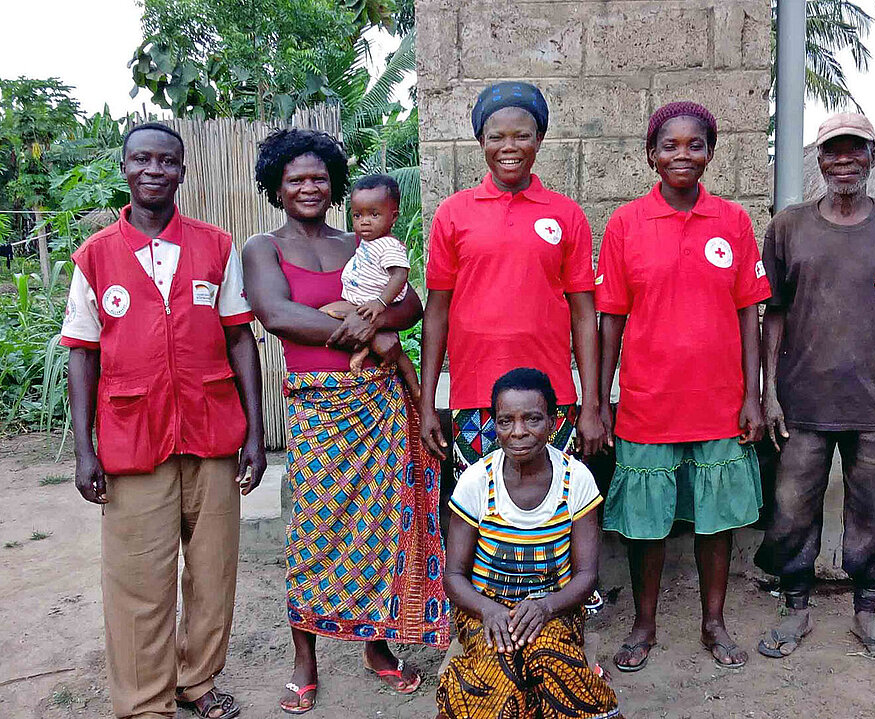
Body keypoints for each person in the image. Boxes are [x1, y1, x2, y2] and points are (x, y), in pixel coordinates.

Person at [61, 122, 266, 719]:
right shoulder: (95, 257)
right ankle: (145, 701)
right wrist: (85, 450)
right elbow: (83, 353)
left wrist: (254, 432)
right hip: (132, 438)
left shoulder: (215, 247)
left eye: (167, 161)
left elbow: (239, 339)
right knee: (137, 581)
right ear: (125, 167)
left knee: (212, 573)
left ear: (183, 171)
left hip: (210, 432)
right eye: (142, 159)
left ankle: (196, 681)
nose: (154, 170)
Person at [241, 128, 448, 715]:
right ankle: (304, 658)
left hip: (378, 403)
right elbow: (276, 314)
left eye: (319, 177)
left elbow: (409, 300)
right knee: (312, 532)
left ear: (334, 183)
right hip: (317, 408)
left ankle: (377, 646)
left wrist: (379, 316)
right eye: (296, 179)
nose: (309, 187)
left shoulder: (359, 239)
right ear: (276, 187)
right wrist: (362, 328)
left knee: (378, 529)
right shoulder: (262, 247)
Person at [754, 112, 875, 661]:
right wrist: (769, 395)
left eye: (855, 150)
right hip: (803, 404)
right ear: (819, 160)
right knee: (790, 510)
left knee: (873, 511)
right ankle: (796, 610)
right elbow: (775, 315)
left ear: (872, 156)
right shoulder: (788, 227)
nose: (845, 160)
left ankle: (867, 614)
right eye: (834, 151)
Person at [596, 102, 771, 673]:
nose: (682, 155)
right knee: (647, 524)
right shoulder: (625, 225)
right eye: (669, 145)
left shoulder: (734, 223)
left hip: (720, 403)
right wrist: (599, 402)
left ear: (710, 153)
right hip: (649, 403)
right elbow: (611, 320)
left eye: (694, 145)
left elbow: (750, 312)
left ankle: (713, 623)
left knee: (715, 521)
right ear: (651, 154)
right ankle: (643, 626)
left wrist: (753, 396)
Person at [420, 81, 604, 480]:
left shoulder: (566, 215)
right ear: (480, 141)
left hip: (552, 397)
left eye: (522, 135)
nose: (509, 146)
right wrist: (427, 403)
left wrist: (590, 405)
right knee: (482, 513)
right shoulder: (453, 214)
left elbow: (585, 316)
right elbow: (436, 314)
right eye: (496, 137)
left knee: (553, 511)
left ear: (539, 139)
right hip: (474, 396)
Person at [437, 368, 620, 719]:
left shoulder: (575, 479)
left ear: (552, 422)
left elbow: (585, 576)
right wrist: (489, 610)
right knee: (497, 680)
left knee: (550, 658)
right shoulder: (477, 480)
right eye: (506, 421)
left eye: (533, 419)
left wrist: (546, 608)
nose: (518, 432)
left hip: (555, 607)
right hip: (484, 610)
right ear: (495, 425)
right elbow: (454, 576)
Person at [318, 173, 421, 399]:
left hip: (371, 304)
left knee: (326, 313)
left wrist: (381, 302)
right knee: (341, 318)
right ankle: (362, 351)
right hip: (363, 302)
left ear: (393, 217)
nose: (365, 221)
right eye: (357, 215)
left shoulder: (388, 246)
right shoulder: (368, 242)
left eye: (374, 214)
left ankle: (416, 390)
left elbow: (400, 274)